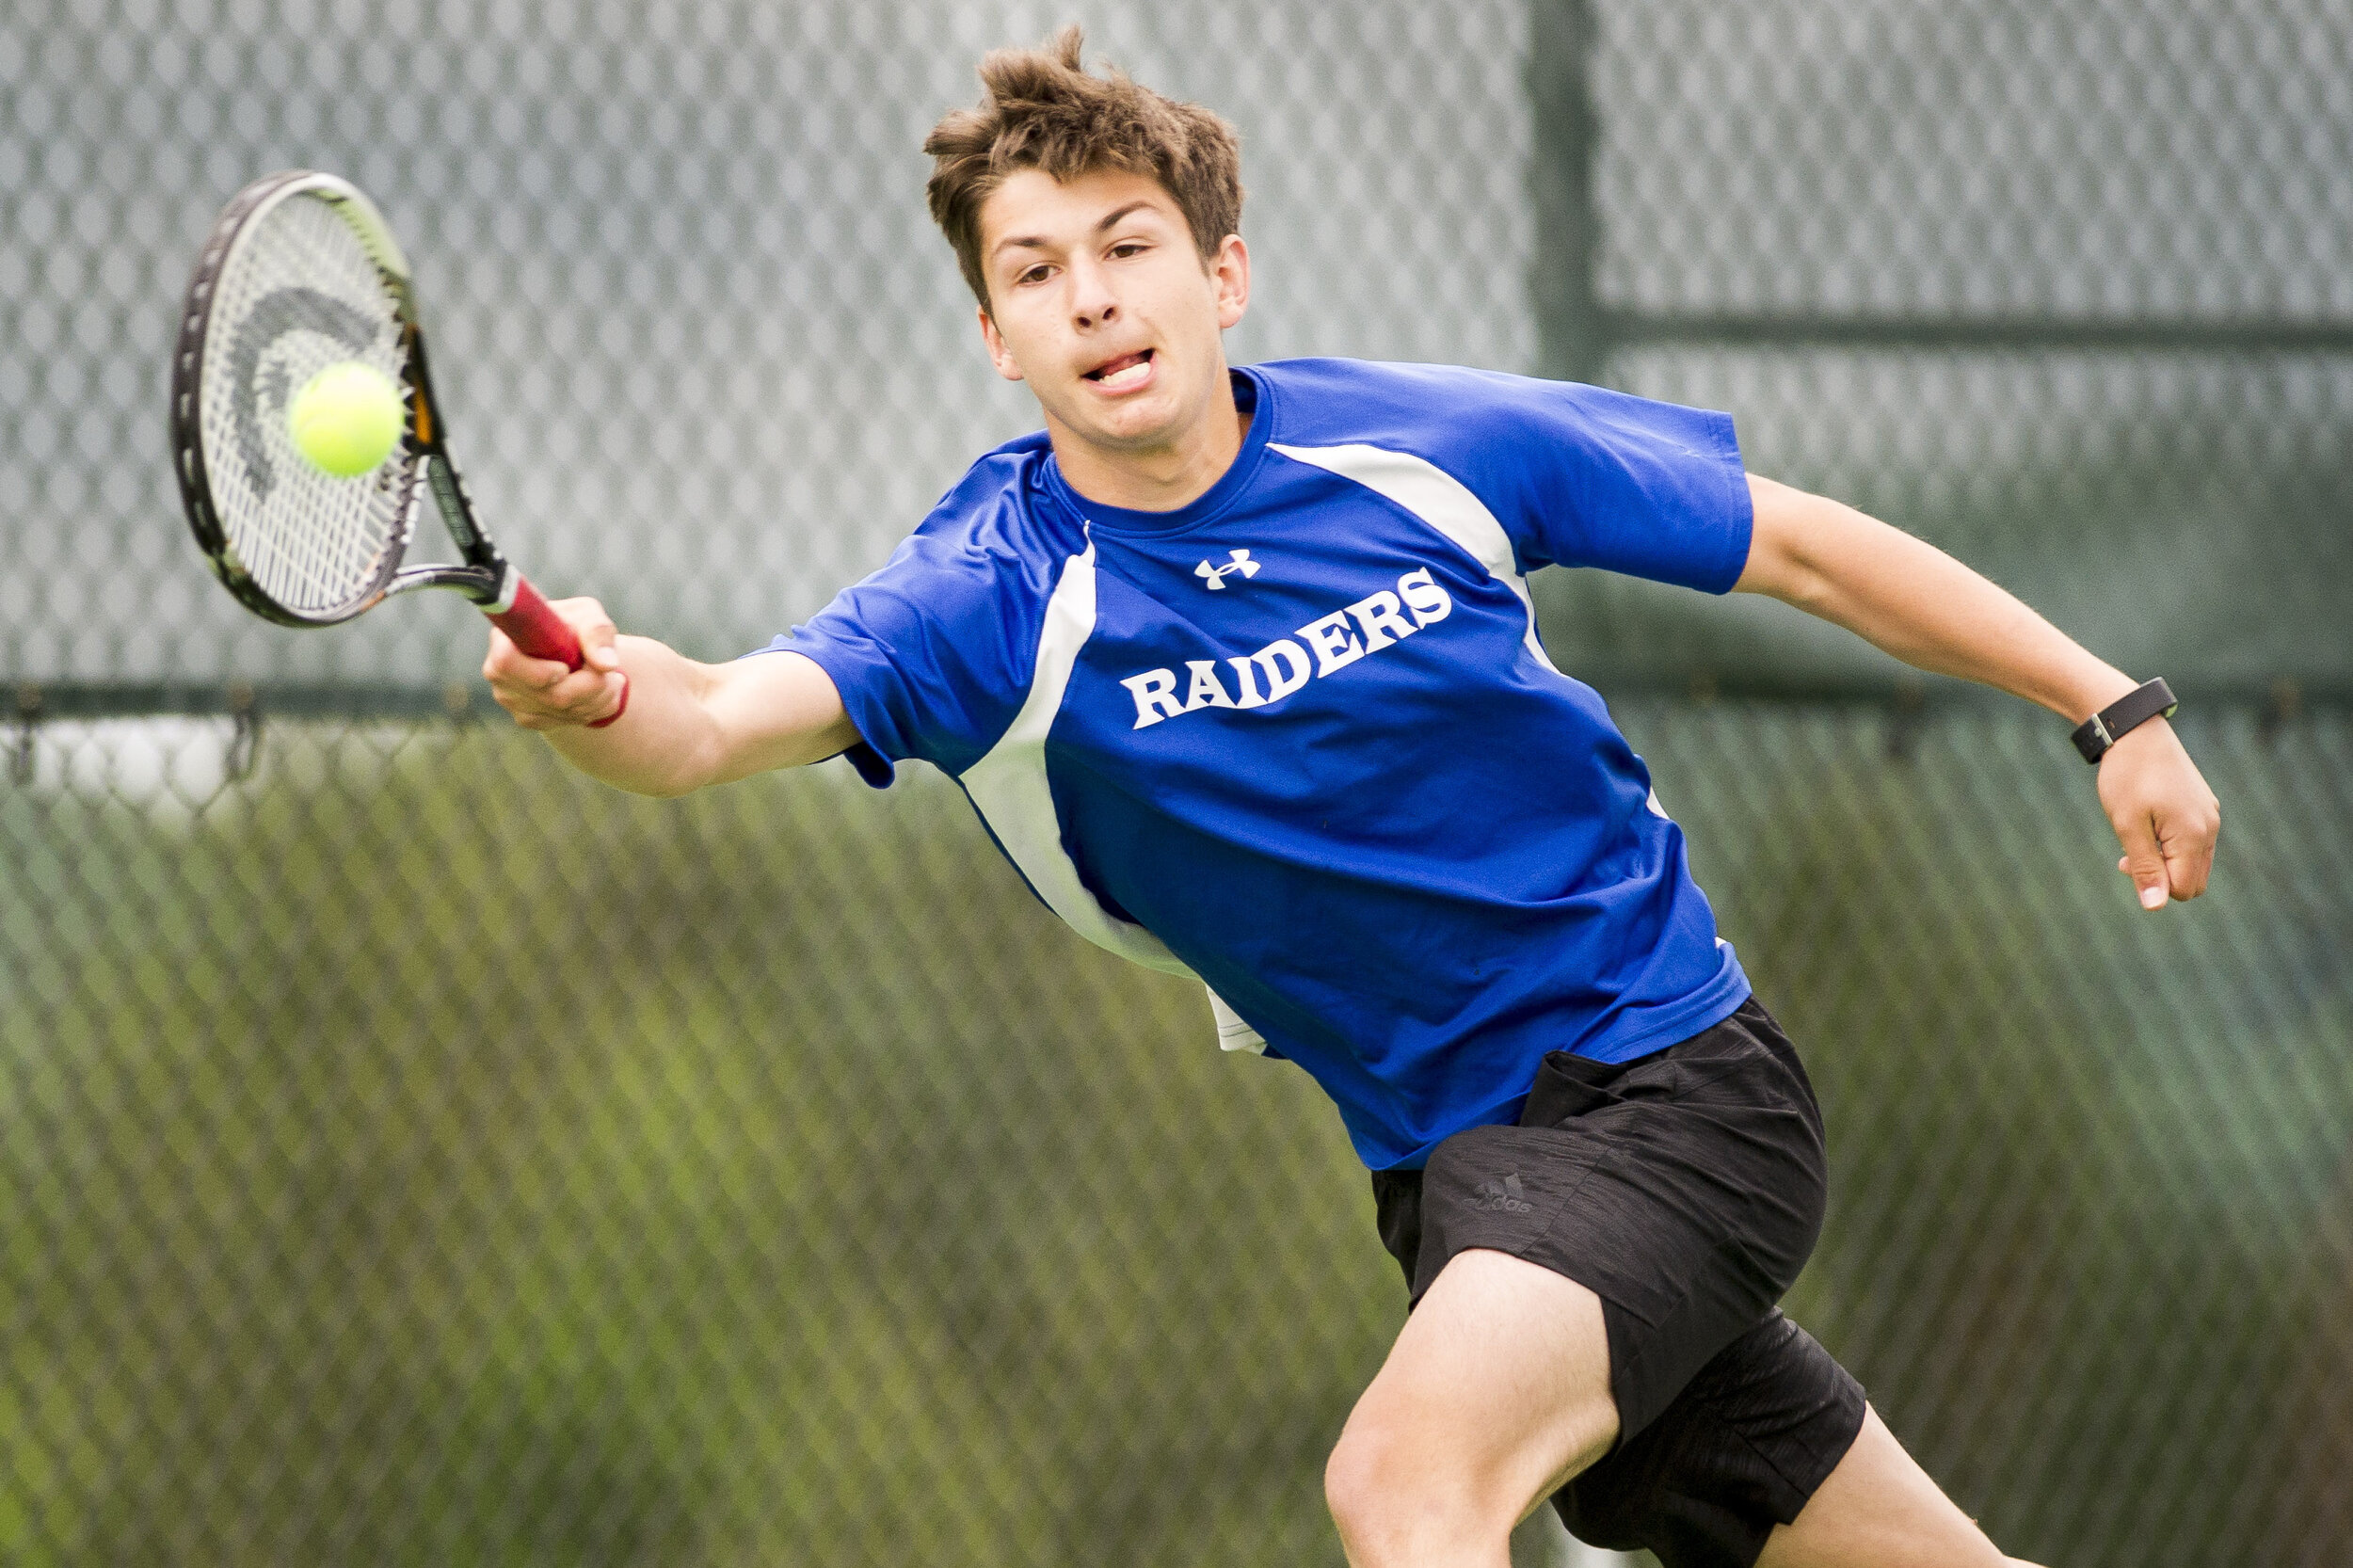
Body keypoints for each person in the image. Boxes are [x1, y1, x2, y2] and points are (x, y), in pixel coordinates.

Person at [483, 28, 2219, 1568]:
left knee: (1404, 1481)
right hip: (1452, 1173)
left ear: (1222, 277)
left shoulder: (1418, 448)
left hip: (1673, 1087)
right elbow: (711, 718)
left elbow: (1803, 550)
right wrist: (599, 698)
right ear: (998, 338)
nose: (1089, 295)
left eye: (1126, 245)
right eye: (1035, 271)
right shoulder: (990, 594)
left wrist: (2105, 702)